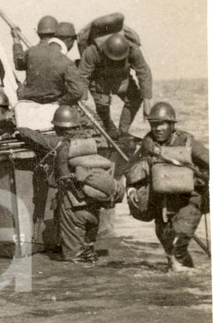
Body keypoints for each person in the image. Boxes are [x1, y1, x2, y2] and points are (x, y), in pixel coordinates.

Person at [15, 105, 107, 263]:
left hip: (71, 204)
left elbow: (32, 136)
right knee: (88, 250)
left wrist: (19, 129)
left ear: (57, 127)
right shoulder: (89, 142)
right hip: (93, 202)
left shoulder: (58, 143)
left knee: (73, 258)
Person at [135, 102, 209, 271]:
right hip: (162, 207)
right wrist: (133, 189)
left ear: (171, 125)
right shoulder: (148, 146)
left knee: (177, 247)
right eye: (154, 124)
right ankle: (189, 282)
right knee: (171, 251)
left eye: (162, 124)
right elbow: (133, 171)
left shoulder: (187, 142)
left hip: (188, 203)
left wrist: (198, 181)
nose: (158, 128)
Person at [79, 31, 153, 138]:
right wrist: (82, 98)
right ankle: (109, 128)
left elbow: (144, 71)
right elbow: (83, 75)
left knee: (135, 98)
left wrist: (147, 100)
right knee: (102, 104)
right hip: (100, 79)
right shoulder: (92, 51)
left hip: (121, 78)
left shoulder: (133, 50)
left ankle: (123, 131)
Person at [10, 15, 86, 107]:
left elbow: (18, 64)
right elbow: (77, 91)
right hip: (54, 110)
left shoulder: (31, 52)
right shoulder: (66, 62)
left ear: (38, 33)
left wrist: (16, 41)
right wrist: (59, 103)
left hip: (28, 107)